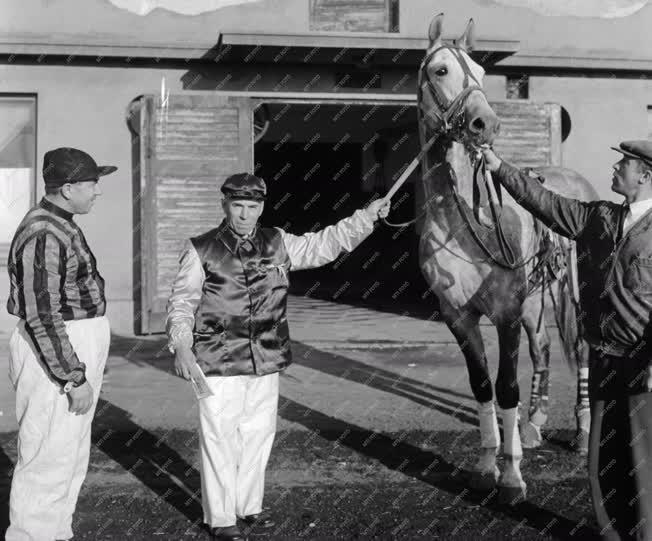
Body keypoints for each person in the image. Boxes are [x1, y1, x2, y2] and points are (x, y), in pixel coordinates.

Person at [166, 172, 390, 541]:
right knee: (220, 437)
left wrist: (365, 217)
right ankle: (221, 519)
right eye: (237, 206)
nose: (243, 214)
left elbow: (324, 244)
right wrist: (182, 344)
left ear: (261, 208)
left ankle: (247, 507)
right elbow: (182, 303)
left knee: (258, 433)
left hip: (267, 357)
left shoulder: (278, 242)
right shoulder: (200, 248)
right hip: (215, 361)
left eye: (251, 207)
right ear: (224, 205)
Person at [481, 141, 652, 541]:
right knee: (605, 457)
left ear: (644, 175)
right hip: (605, 357)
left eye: (623, 163)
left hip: (643, 362)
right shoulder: (599, 217)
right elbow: (544, 201)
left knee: (644, 459)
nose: (614, 166)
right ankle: (614, 533)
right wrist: (498, 166)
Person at [5, 147, 116, 541]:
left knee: (68, 452)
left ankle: (54, 533)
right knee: (47, 453)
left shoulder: (59, 222)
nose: (97, 191)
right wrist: (72, 377)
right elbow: (41, 314)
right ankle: (31, 535)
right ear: (68, 188)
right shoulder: (43, 233)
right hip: (57, 346)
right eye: (92, 184)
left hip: (77, 338)